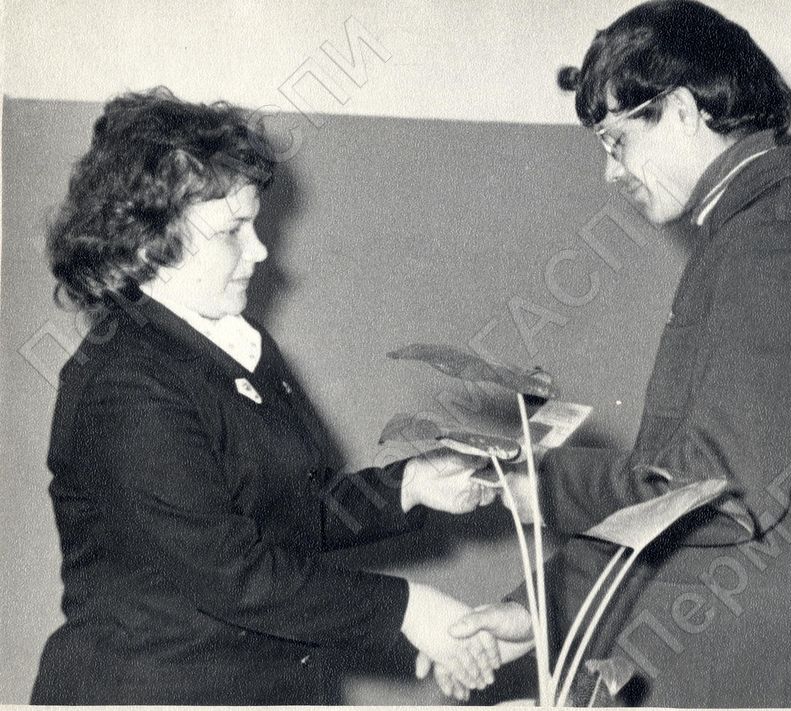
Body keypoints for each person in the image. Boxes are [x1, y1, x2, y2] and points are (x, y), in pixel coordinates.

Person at [441, 1, 791, 706]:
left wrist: (542, 486)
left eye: (616, 141)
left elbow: (713, 492)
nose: (609, 172)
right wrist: (538, 610)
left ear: (680, 110)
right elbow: (665, 496)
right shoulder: (746, 234)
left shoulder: (775, 247)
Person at [31, 87, 505, 705]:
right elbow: (234, 574)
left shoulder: (238, 343)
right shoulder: (124, 383)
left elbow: (286, 516)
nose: (259, 252)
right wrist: (410, 609)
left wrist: (409, 485)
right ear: (148, 242)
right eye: (233, 230)